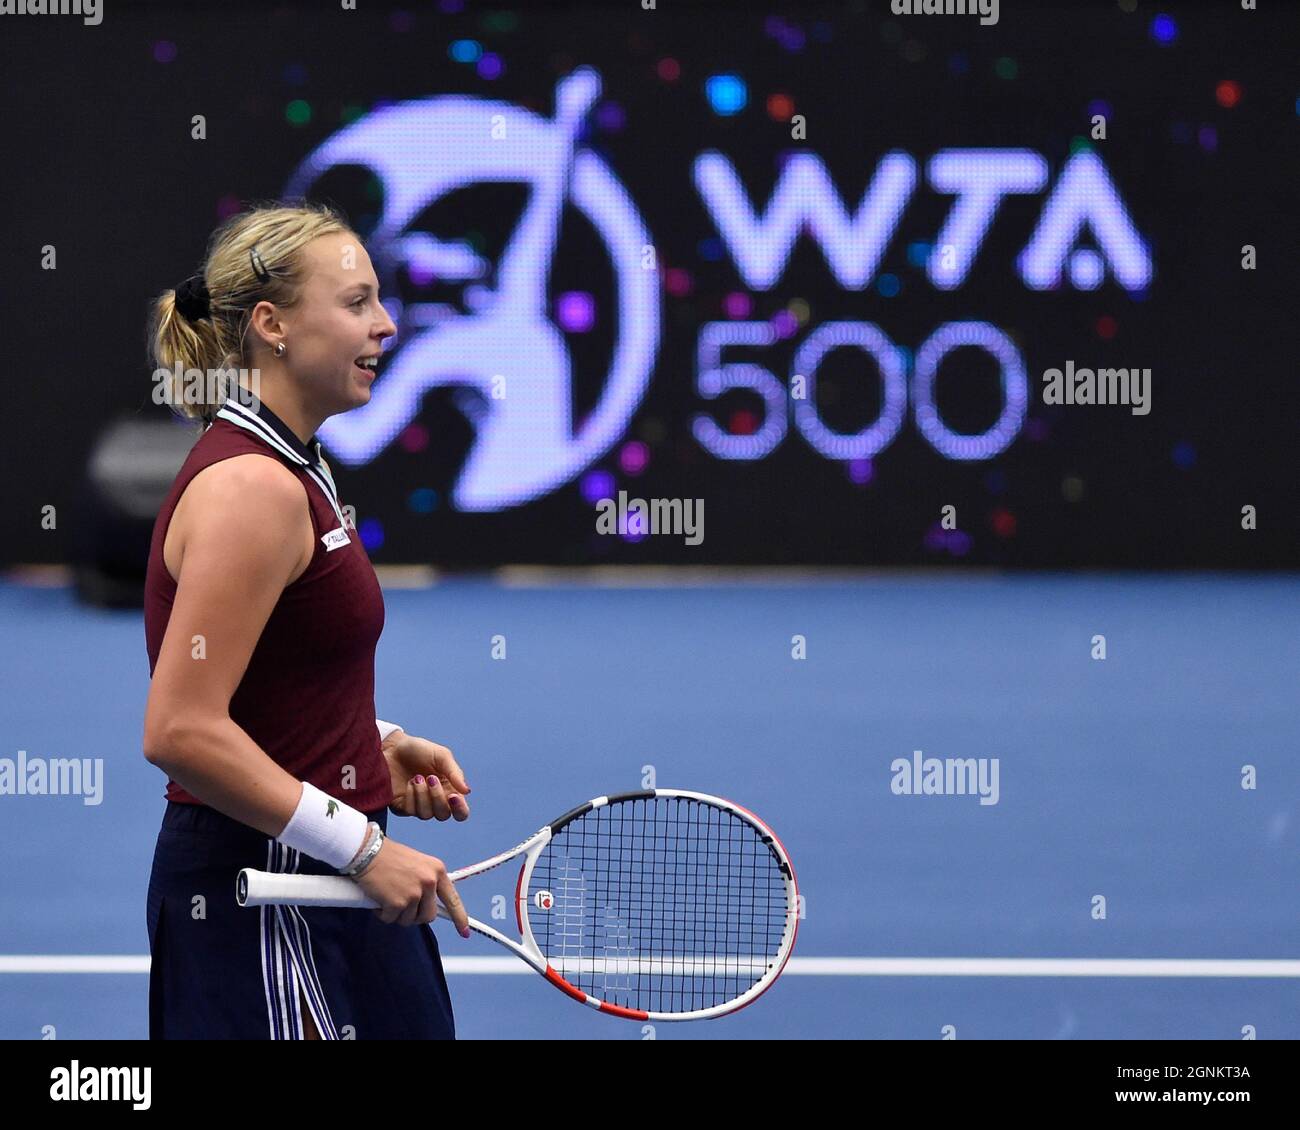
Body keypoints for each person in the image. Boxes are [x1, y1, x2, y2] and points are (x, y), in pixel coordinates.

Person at [142, 201, 467, 1039]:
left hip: (328, 875)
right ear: (271, 324)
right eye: (356, 303)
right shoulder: (253, 490)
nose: (386, 325)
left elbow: (273, 676)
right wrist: (363, 849)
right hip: (265, 894)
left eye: (380, 301)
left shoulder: (298, 463)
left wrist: (367, 742)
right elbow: (180, 728)